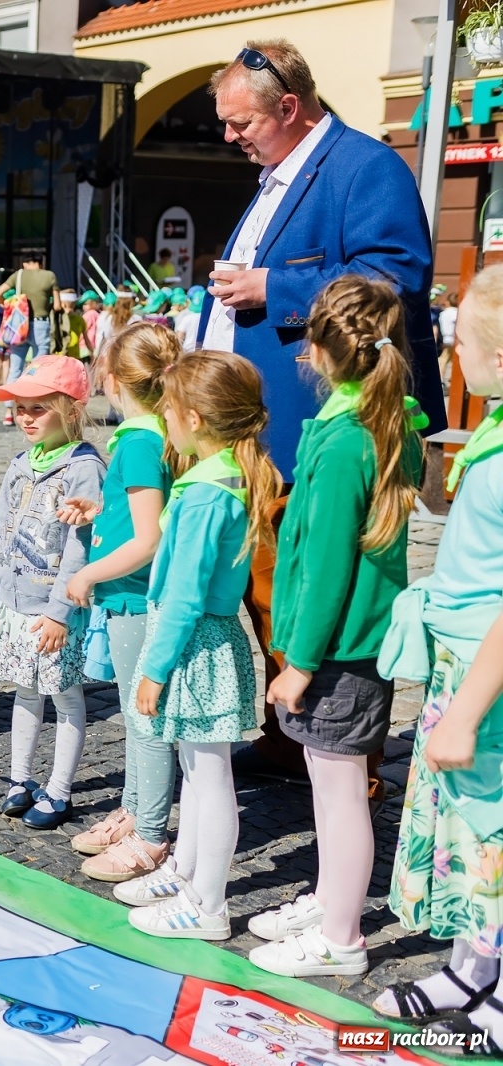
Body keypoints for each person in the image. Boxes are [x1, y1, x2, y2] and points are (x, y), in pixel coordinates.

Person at [245, 276, 422, 979]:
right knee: (332, 787)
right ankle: (329, 899)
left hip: (340, 651)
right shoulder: (376, 423)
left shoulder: (349, 439)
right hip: (347, 648)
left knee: (341, 792)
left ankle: (342, 936)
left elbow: (323, 563)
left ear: (318, 348)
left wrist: (300, 660)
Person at [199, 39, 445, 478]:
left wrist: (272, 288)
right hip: (260, 433)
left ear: (288, 108)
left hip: (317, 430)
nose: (229, 136)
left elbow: (394, 278)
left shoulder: (368, 166)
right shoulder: (280, 170)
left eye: (240, 122)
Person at [372, 264, 503, 1049]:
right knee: (463, 830)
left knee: (493, 835)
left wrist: (467, 712)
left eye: (468, 342)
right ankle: (470, 966)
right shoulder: (492, 425)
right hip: (463, 671)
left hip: (487, 680)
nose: (456, 353)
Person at [115, 351, 282, 941]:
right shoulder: (218, 477)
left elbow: (184, 594)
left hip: (193, 645)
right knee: (195, 770)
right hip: (197, 642)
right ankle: (184, 876)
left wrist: (153, 670)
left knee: (209, 781)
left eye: (167, 410)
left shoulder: (209, 492)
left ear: (192, 418)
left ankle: (207, 905)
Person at [60, 324, 177, 882]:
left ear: (111, 378)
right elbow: (137, 515)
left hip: (135, 595)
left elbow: (148, 537)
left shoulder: (137, 441)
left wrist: (89, 573)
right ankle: (135, 811)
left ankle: (150, 835)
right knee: (137, 716)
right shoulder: (156, 432)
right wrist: (98, 511)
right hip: (132, 593)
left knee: (144, 718)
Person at [0, 356, 104, 830]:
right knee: (25, 691)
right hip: (13, 600)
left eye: (38, 408)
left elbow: (81, 547)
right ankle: (20, 779)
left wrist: (59, 612)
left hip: (54, 609)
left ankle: (59, 791)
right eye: (20, 408)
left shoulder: (83, 468)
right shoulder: (20, 463)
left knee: (65, 696)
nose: (25, 417)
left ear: (70, 410)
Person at [0, 255, 59, 421]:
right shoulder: (50, 276)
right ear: (41, 262)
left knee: (15, 368)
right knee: (40, 368)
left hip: (20, 325)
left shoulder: (18, 275)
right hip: (41, 324)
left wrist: (5, 304)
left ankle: (9, 412)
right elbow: (59, 305)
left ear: (25, 263)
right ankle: (39, 407)